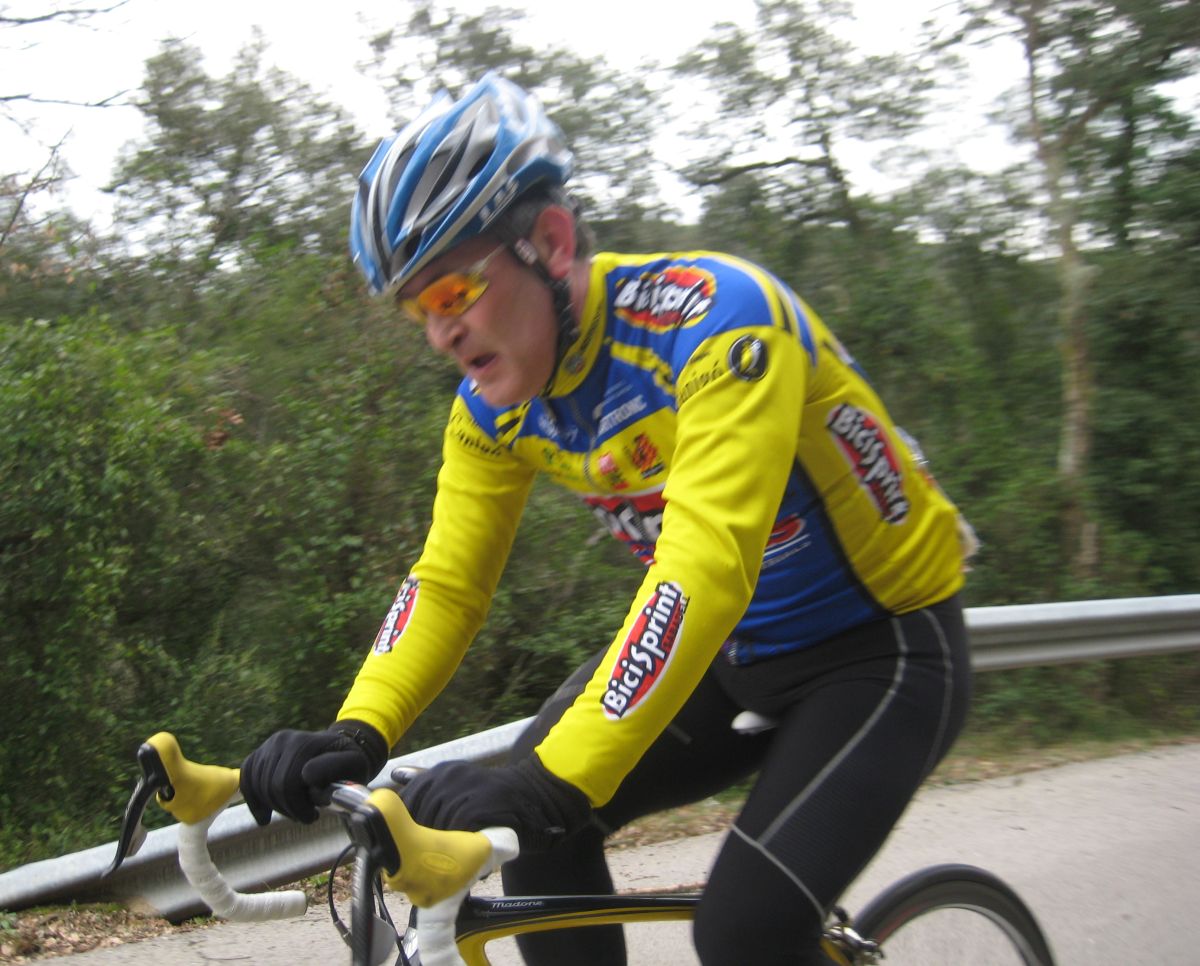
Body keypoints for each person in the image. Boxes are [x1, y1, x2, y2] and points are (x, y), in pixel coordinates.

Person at [239, 73, 975, 965]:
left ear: (551, 242)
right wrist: (357, 731)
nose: (438, 333)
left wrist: (552, 781)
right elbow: (446, 584)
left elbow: (703, 566)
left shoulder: (718, 320)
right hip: (729, 655)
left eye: (453, 292)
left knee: (743, 932)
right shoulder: (492, 410)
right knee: (533, 838)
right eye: (416, 308)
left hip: (879, 651)